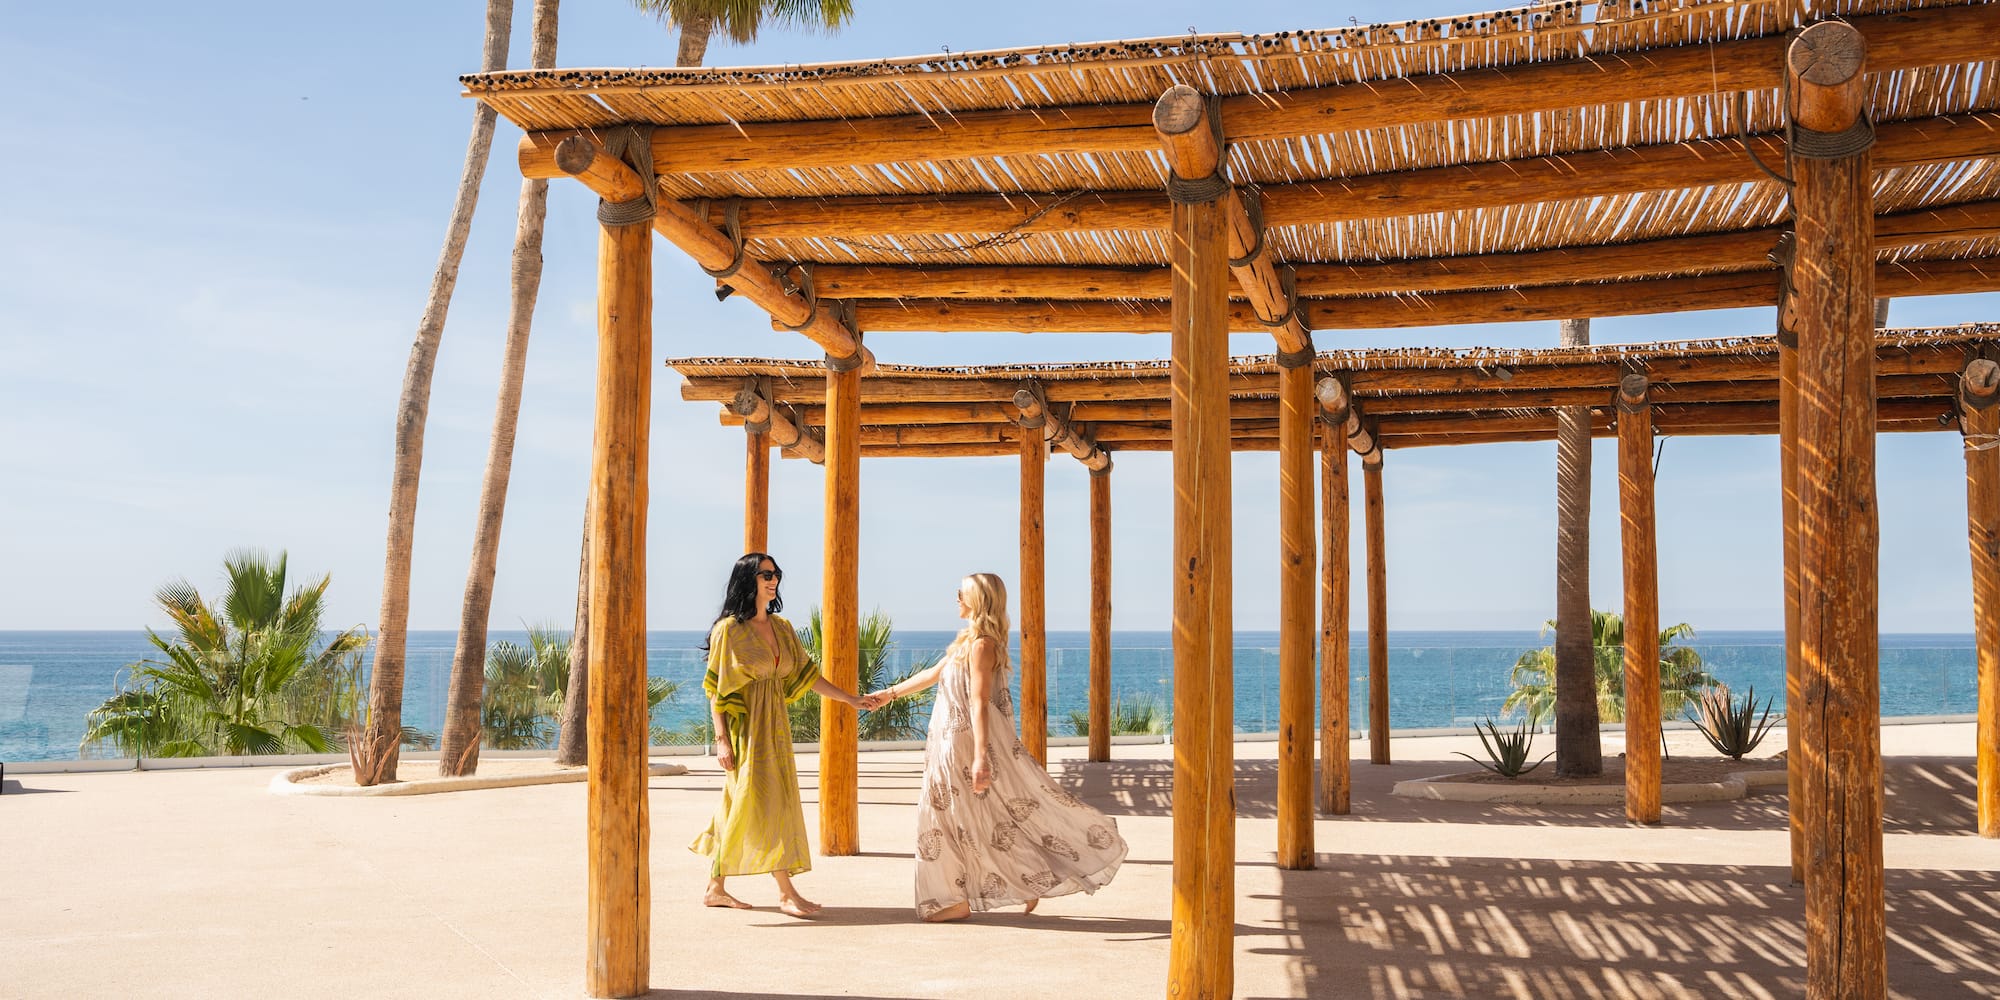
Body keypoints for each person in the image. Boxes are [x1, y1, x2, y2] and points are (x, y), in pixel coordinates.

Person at [861, 572, 1128, 922]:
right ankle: (1002, 886)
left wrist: (980, 756)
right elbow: (933, 674)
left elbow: (980, 701)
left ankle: (954, 899)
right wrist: (889, 694)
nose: (956, 598)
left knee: (955, 817)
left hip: (960, 746)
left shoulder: (982, 646)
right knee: (963, 818)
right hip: (945, 744)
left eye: (962, 593)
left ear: (978, 600)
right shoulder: (966, 643)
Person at [690, 552, 863, 919]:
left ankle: (715, 888)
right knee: (763, 804)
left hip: (776, 728)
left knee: (747, 803)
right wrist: (721, 740)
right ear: (747, 579)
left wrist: (849, 699)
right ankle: (786, 892)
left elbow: (807, 676)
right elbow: (716, 690)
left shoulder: (782, 627)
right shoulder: (729, 631)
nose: (773, 580)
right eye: (765, 574)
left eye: (776, 574)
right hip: (746, 729)